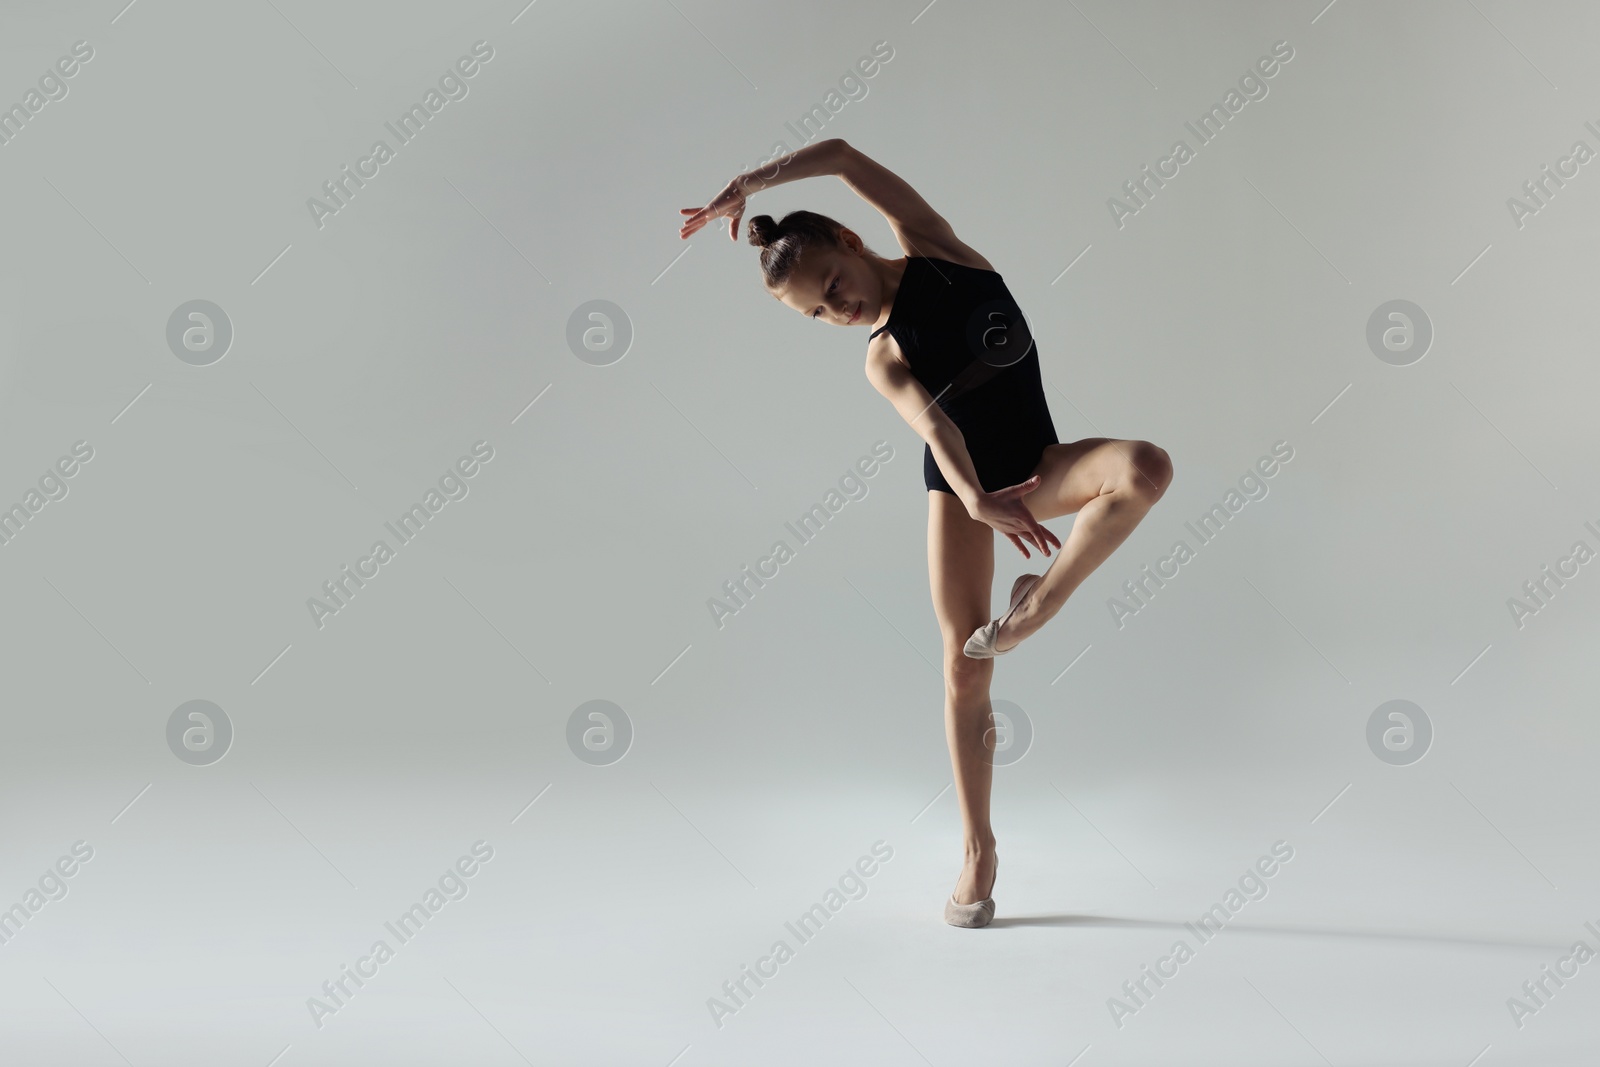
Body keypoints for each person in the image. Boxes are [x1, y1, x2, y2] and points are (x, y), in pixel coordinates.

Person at [678, 138, 1173, 928]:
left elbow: (842, 155)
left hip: (1041, 465)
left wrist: (748, 181)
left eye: (833, 286)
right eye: (817, 313)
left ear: (850, 240)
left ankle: (1040, 603)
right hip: (965, 487)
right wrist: (977, 499)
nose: (838, 310)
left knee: (1146, 467)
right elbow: (937, 428)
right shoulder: (882, 356)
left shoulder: (941, 252)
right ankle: (979, 849)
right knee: (964, 665)